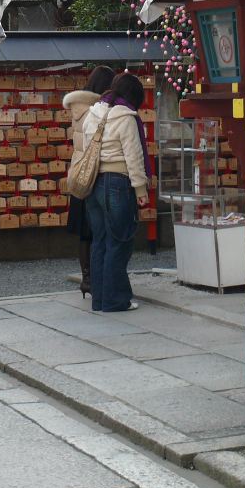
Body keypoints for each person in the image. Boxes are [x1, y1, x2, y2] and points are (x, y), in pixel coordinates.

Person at [79, 73, 149, 313]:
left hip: (94, 183)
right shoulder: (126, 117)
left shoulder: (93, 112)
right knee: (119, 242)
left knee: (100, 242)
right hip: (118, 182)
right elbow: (134, 156)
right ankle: (115, 300)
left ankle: (99, 299)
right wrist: (141, 189)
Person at [63, 65, 115, 299]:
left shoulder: (77, 109)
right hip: (95, 173)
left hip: (79, 173)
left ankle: (87, 278)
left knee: (84, 233)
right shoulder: (99, 111)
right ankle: (97, 278)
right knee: (98, 230)